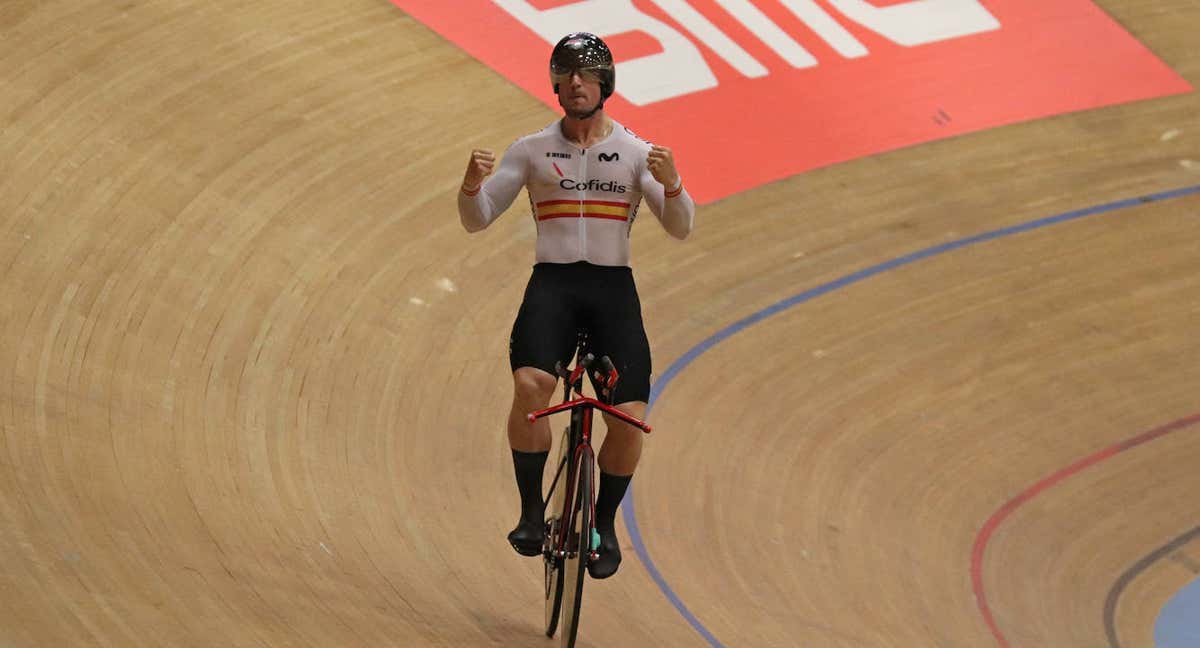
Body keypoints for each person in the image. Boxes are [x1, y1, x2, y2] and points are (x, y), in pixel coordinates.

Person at [457, 32, 695, 579]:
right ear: (556, 86)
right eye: (566, 77)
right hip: (554, 287)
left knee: (630, 421)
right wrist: (472, 187)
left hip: (612, 292)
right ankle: (531, 512)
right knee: (529, 388)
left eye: (586, 76)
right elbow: (478, 218)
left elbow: (681, 228)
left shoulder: (637, 154)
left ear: (606, 83)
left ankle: (604, 523)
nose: (576, 85)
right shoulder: (532, 149)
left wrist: (673, 183)